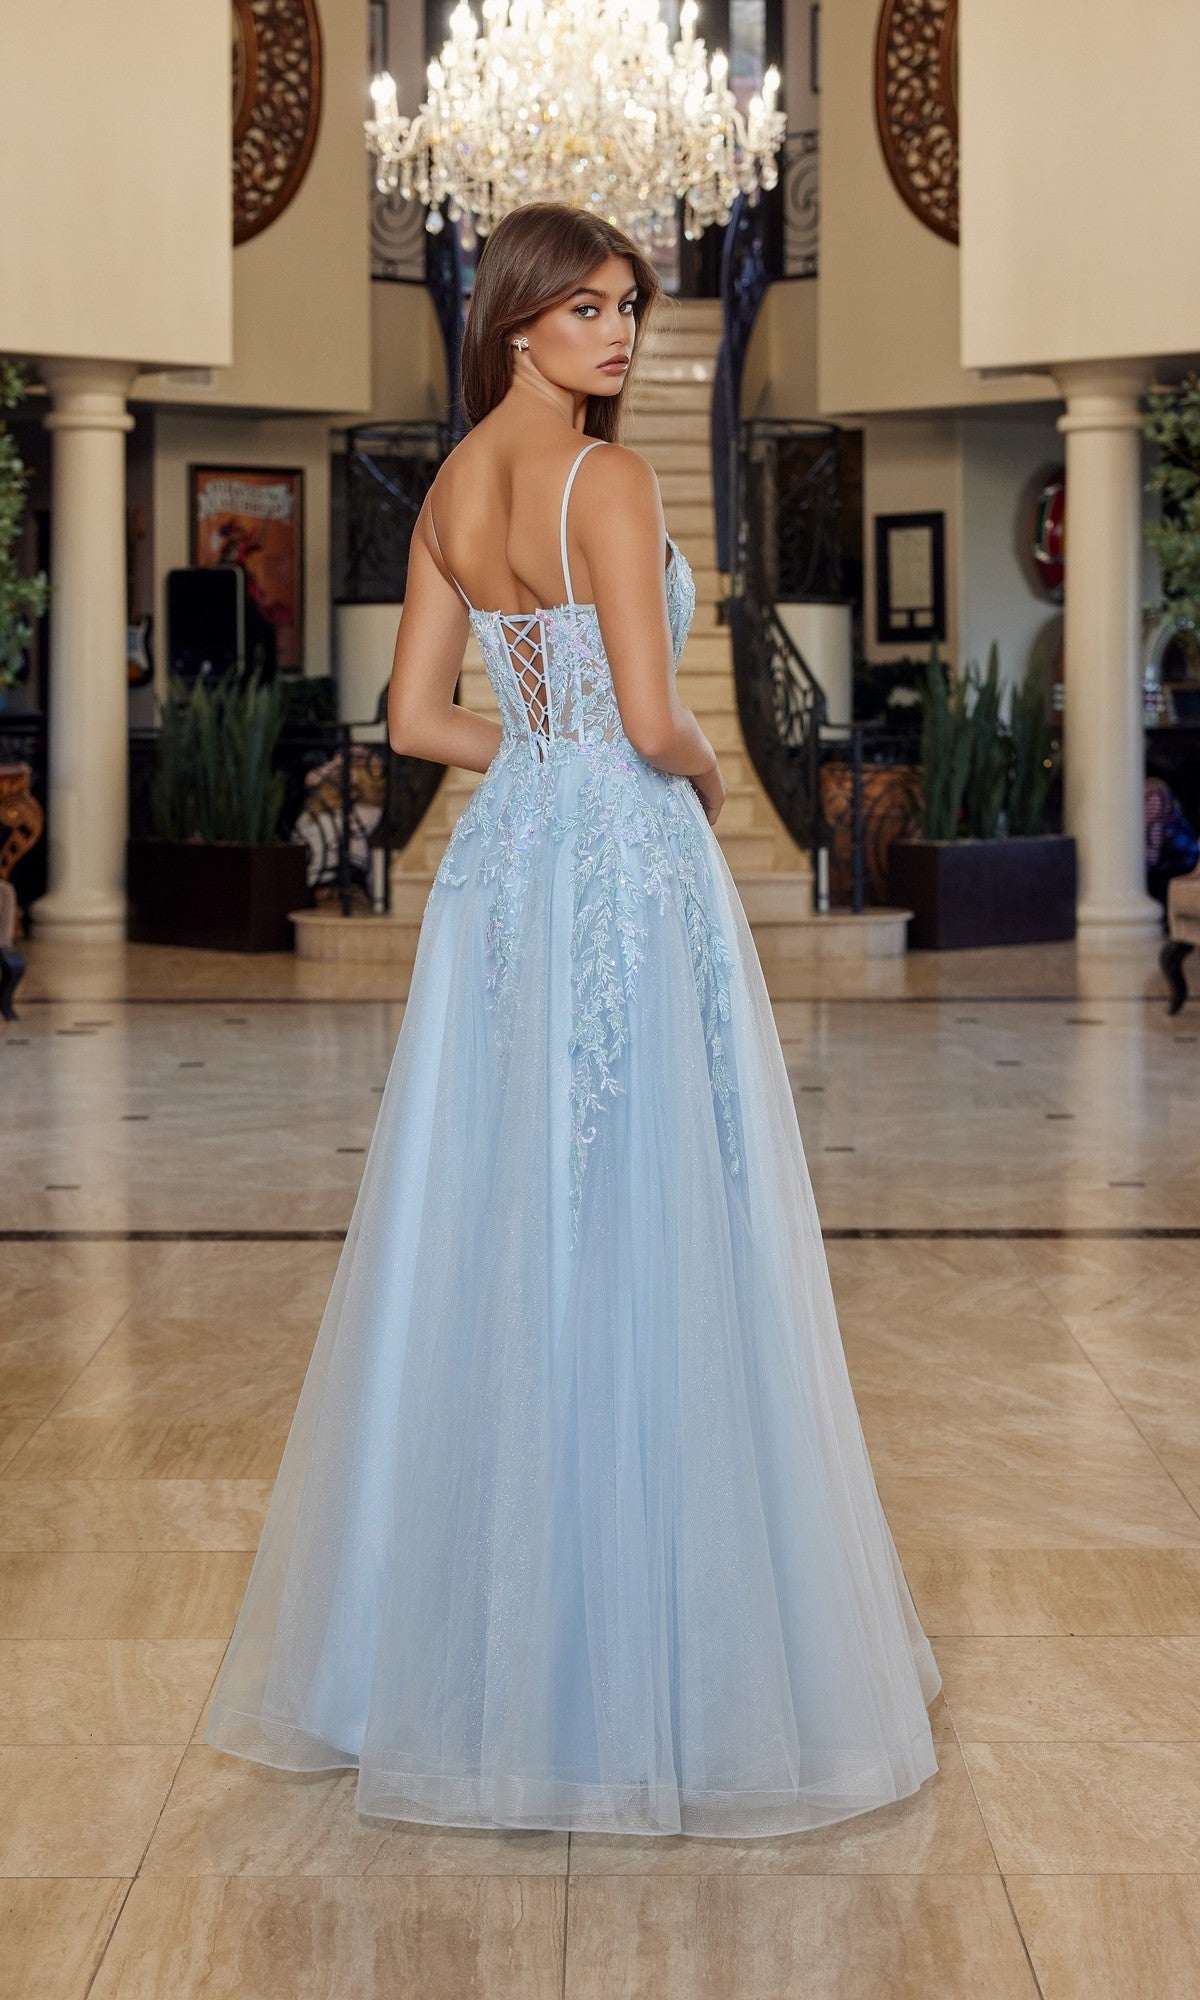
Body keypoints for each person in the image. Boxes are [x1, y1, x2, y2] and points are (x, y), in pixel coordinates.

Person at [205, 201, 942, 1837]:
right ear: (521, 318)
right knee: (659, 1202)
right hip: (619, 857)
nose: (622, 335)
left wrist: (537, 756)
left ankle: (455, 1660)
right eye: (592, 309)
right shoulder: (608, 481)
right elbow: (669, 715)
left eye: (633, 308)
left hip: (506, 874)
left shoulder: (450, 490)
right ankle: (656, 1671)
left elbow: (413, 719)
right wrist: (657, 771)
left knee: (499, 1202)